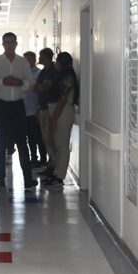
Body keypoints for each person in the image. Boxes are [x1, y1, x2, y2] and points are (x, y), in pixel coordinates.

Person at [0, 32, 38, 190]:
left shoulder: (23, 63)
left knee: (22, 142)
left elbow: (31, 83)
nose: (9, 45)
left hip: (18, 106)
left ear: (16, 43)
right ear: (3, 44)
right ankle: (1, 177)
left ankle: (28, 179)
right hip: (0, 106)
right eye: (6, 42)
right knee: (1, 141)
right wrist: (3, 81)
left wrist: (19, 82)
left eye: (12, 42)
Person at [42, 52, 79, 187]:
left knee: (62, 145)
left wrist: (54, 120)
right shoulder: (60, 75)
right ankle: (56, 172)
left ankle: (59, 176)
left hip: (62, 112)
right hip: (57, 111)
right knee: (56, 144)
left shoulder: (68, 77)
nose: (55, 63)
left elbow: (63, 100)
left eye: (57, 61)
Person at [35, 48, 59, 178]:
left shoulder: (53, 71)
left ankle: (54, 167)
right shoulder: (44, 71)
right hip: (43, 107)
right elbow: (36, 87)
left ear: (46, 57)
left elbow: (43, 87)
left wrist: (40, 87)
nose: (39, 58)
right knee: (45, 138)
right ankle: (51, 164)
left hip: (51, 108)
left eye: (40, 56)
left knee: (50, 138)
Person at [23, 51, 47, 167]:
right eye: (25, 60)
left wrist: (38, 109)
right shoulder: (21, 74)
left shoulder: (39, 74)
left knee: (39, 137)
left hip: (35, 110)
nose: (27, 62)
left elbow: (41, 94)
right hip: (24, 110)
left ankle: (43, 159)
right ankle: (33, 159)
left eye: (29, 59)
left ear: (34, 60)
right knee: (29, 138)